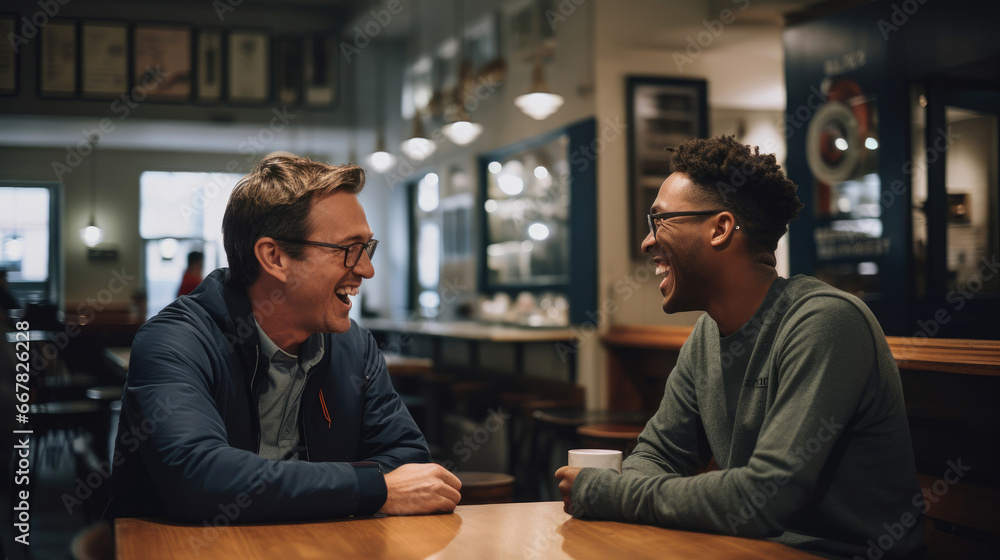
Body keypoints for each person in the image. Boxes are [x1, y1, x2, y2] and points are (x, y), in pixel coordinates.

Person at [555, 136, 925, 559]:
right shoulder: (706, 337)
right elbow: (659, 454)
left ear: (720, 228)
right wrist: (620, 491)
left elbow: (766, 495)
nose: (647, 242)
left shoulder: (825, 321)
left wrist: (609, 492)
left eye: (660, 221)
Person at [107, 154, 461, 522]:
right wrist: (373, 488)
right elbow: (199, 478)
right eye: (348, 249)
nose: (366, 269)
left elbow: (409, 463)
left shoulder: (354, 346)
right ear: (274, 257)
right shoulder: (174, 342)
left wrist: (334, 490)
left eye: (367, 247)